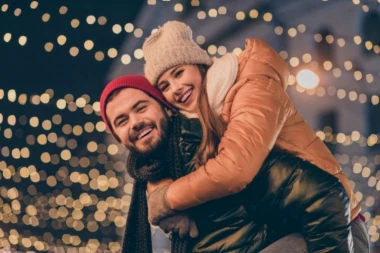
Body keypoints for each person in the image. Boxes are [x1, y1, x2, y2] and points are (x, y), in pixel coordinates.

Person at [141, 21, 368, 252]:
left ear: (199, 65)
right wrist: (157, 185)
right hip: (289, 225)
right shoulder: (206, 114)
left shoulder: (252, 86)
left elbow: (235, 169)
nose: (175, 87)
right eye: (165, 86)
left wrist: (168, 198)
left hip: (335, 223)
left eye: (178, 73)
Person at [100, 75, 361, 253]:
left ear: (166, 108)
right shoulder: (153, 180)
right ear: (119, 139)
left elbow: (326, 195)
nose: (134, 122)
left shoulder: (213, 148)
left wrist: (169, 198)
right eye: (121, 121)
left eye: (141, 107)